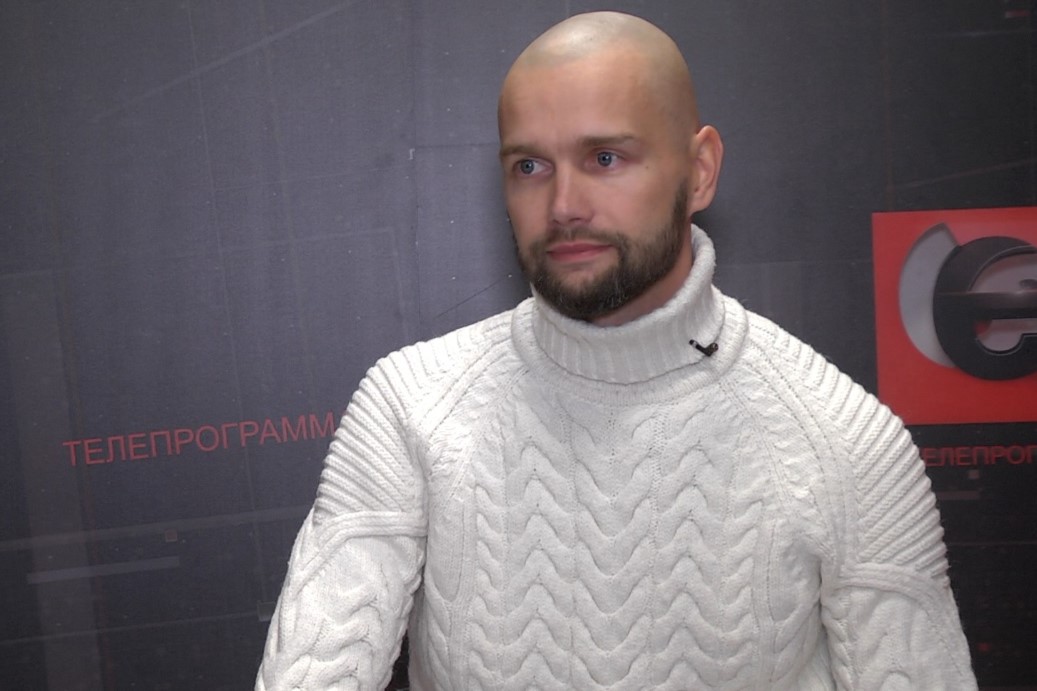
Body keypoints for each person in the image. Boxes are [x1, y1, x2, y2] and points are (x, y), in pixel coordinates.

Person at [257, 11, 977, 690]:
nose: (564, 205)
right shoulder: (408, 407)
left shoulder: (846, 443)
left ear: (699, 170)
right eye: (530, 167)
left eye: (605, 157)